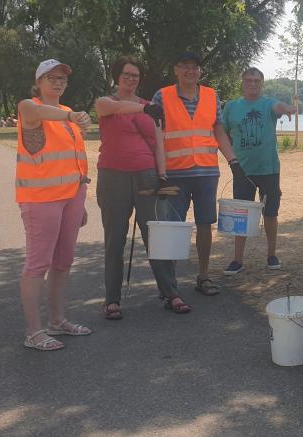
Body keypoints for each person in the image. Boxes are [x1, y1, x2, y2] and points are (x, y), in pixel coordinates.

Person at [93, 56, 192, 318]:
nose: (131, 79)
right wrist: (142, 110)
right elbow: (107, 109)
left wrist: (162, 175)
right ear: (117, 76)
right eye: (126, 74)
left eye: (135, 75)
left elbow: (158, 143)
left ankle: (171, 293)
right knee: (114, 240)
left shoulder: (151, 107)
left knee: (157, 238)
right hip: (113, 176)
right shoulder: (107, 102)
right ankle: (111, 299)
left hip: (147, 175)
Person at [15, 59, 94, 351]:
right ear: (39, 82)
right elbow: (35, 113)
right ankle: (33, 332)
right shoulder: (29, 106)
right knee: (38, 264)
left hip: (70, 199)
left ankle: (57, 320)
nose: (58, 82)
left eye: (62, 77)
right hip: (41, 199)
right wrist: (72, 116)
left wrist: (80, 202)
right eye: (51, 77)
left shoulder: (65, 114)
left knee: (63, 261)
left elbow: (72, 161)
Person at [152, 51, 238, 296]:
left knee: (204, 223)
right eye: (185, 66)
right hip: (174, 173)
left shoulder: (212, 96)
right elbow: (155, 135)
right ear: (176, 70)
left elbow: (219, 132)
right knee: (173, 227)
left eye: (195, 67)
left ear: (200, 72)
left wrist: (232, 159)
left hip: (206, 172)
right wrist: (158, 171)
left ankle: (203, 276)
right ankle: (170, 285)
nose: (191, 71)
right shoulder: (162, 96)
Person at [220, 67, 297, 275]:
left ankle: (271, 255)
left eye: (256, 80)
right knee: (241, 214)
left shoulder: (267, 103)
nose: (252, 84)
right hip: (242, 171)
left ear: (262, 83)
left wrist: (287, 108)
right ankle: (237, 259)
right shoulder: (231, 107)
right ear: (242, 82)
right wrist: (231, 158)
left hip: (269, 169)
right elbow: (222, 132)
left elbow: (277, 106)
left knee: (271, 213)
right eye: (248, 80)